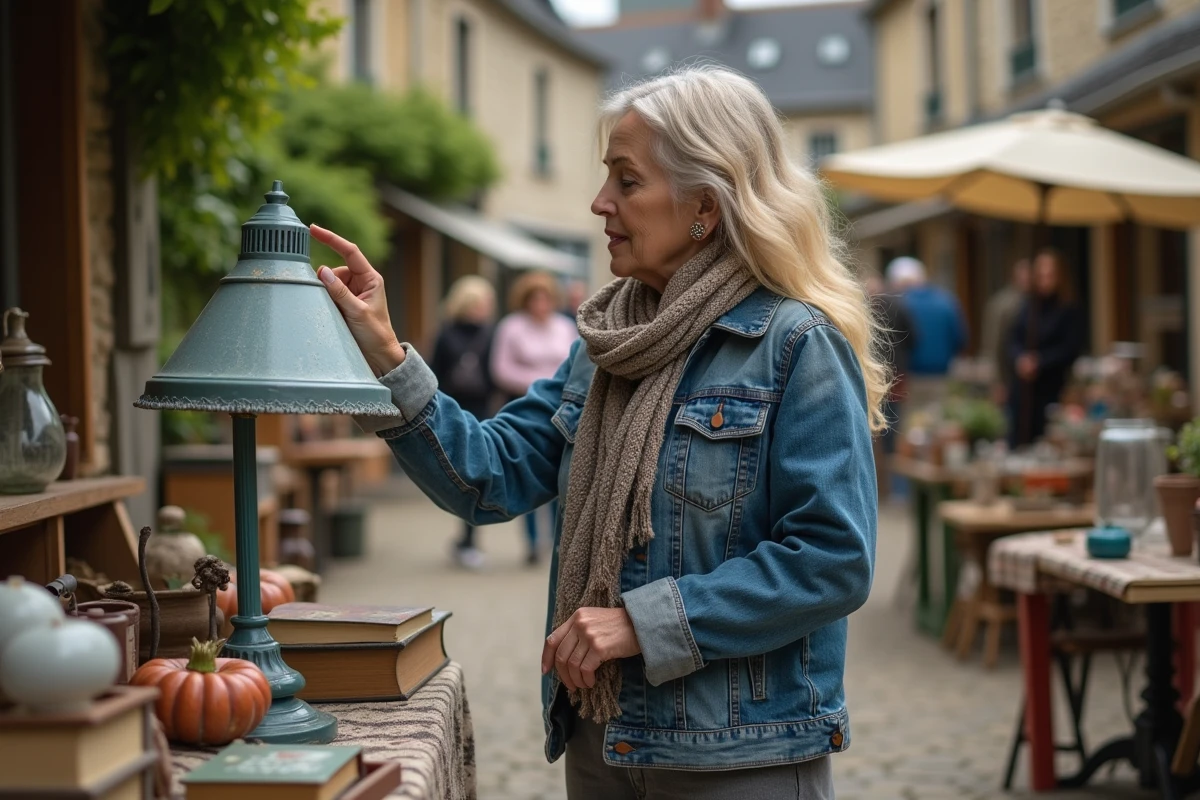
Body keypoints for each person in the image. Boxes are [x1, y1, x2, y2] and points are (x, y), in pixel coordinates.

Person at [312, 64, 881, 799]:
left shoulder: (797, 346)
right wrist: (386, 355)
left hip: (737, 759)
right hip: (602, 739)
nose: (599, 202)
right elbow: (489, 475)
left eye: (627, 180)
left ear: (704, 203)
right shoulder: (607, 346)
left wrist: (643, 624)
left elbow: (833, 559)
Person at [490, 272, 579, 564]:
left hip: (563, 408)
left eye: (546, 298)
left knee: (559, 476)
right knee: (527, 471)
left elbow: (575, 365)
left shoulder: (565, 327)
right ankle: (531, 542)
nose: (541, 304)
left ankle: (558, 541)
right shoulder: (511, 327)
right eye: (535, 299)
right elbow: (500, 369)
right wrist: (539, 383)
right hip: (525, 404)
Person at [429, 275, 497, 569]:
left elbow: (497, 372)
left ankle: (469, 538)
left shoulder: (493, 334)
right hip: (453, 409)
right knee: (457, 472)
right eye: (480, 302)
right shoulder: (445, 335)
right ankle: (465, 537)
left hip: (483, 410)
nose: (484, 308)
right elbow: (435, 374)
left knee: (478, 473)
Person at [1007, 248, 1081, 448]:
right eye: (1041, 275)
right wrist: (1020, 359)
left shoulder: (1066, 310)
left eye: (1050, 275)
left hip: (1050, 388)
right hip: (1023, 391)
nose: (1045, 280)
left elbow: (1069, 349)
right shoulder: (1028, 307)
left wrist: (1040, 362)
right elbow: (1014, 340)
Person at [887, 256, 966, 414]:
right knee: (937, 422)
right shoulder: (947, 301)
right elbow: (960, 338)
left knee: (911, 425)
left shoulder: (900, 304)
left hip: (910, 377)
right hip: (941, 374)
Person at [865, 273, 914, 500]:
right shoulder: (899, 305)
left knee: (873, 431)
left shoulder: (861, 307)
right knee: (895, 427)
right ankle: (898, 490)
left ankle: (879, 488)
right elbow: (914, 337)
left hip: (870, 376)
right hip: (896, 375)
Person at [980, 258, 1030, 403]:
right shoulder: (1004, 304)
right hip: (1007, 373)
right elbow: (993, 343)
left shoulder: (1035, 303)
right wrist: (997, 381)